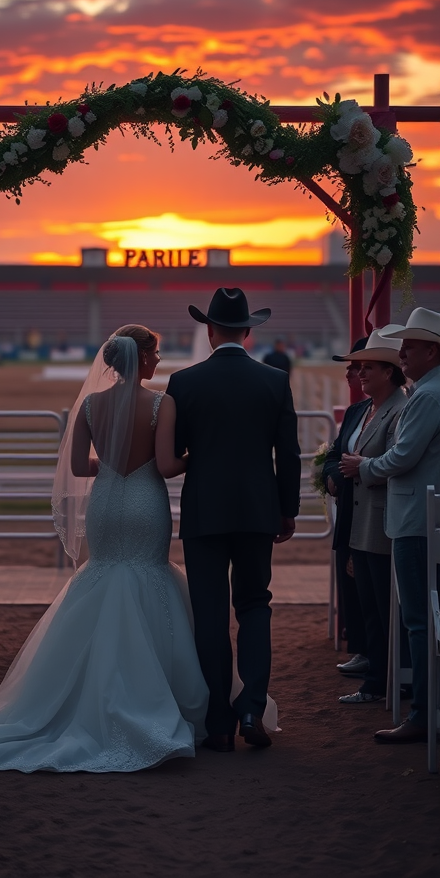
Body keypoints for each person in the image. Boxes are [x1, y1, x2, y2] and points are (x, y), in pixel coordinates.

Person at [0, 325, 209, 772]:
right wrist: (192, 458)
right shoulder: (163, 403)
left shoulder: (90, 405)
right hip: (145, 502)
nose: (159, 360)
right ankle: (154, 691)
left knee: (104, 574)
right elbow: (165, 465)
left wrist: (114, 465)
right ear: (140, 358)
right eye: (155, 353)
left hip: (105, 501)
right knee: (147, 575)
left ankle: (79, 692)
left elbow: (80, 465)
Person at [157, 287, 301, 752]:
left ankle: (217, 719)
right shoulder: (274, 381)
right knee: (256, 605)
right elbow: (290, 454)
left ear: (210, 330)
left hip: (206, 509)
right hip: (258, 509)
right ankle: (252, 707)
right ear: (249, 333)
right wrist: (288, 509)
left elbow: (175, 451)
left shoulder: (184, 382)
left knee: (211, 614)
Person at [341, 307, 440, 744]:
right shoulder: (426, 392)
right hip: (418, 514)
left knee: (418, 621)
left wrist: (364, 466)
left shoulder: (426, 396)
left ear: (432, 352)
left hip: (414, 518)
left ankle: (422, 712)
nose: (403, 354)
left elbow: (403, 457)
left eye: (410, 347)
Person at [330, 332, 406, 704]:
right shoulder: (375, 408)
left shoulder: (398, 409)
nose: (359, 373)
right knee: (372, 607)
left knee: (383, 608)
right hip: (363, 523)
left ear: (390, 373)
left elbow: (398, 461)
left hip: (379, 522)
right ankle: (380, 678)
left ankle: (383, 680)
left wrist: (362, 467)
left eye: (368, 367)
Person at [323, 337, 370, 677]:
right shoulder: (356, 411)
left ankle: (373, 651)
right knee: (353, 579)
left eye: (358, 367)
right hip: (351, 507)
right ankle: (364, 646)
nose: (352, 373)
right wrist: (332, 476)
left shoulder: (398, 408)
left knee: (367, 581)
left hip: (369, 509)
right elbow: (334, 455)